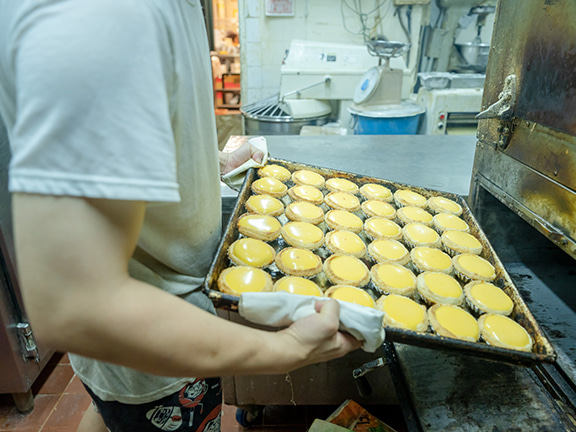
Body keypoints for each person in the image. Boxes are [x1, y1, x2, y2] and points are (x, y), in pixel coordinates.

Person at [0, 1, 362, 431]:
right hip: (155, 345)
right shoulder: (103, 18)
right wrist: (287, 349)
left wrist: (208, 164)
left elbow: (126, 127)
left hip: (162, 324)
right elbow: (74, 306)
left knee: (107, 412)